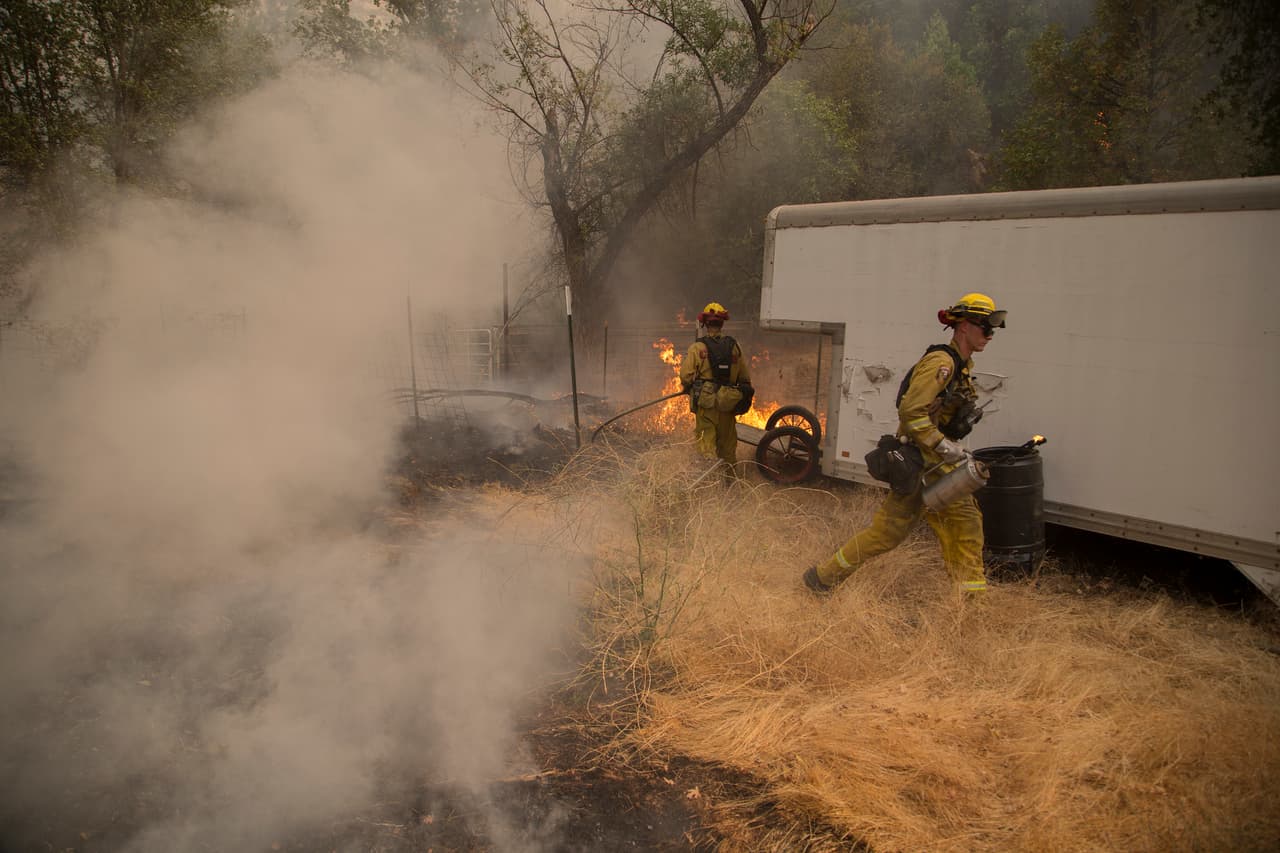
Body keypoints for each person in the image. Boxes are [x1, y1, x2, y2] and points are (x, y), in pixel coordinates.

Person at [802, 292, 1007, 597]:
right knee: (966, 525)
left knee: (888, 533)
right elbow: (911, 412)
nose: (990, 335)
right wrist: (944, 445)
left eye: (993, 329)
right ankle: (971, 606)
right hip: (927, 462)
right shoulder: (942, 363)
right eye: (985, 327)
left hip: (927, 463)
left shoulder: (960, 365)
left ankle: (822, 577)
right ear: (964, 326)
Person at [679, 302, 753, 471]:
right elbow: (744, 378)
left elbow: (685, 376)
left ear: (705, 324)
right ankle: (729, 482)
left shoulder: (698, 348)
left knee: (706, 447)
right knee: (727, 450)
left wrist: (691, 386)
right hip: (727, 403)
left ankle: (708, 483)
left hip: (707, 405)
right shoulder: (735, 347)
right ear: (722, 323)